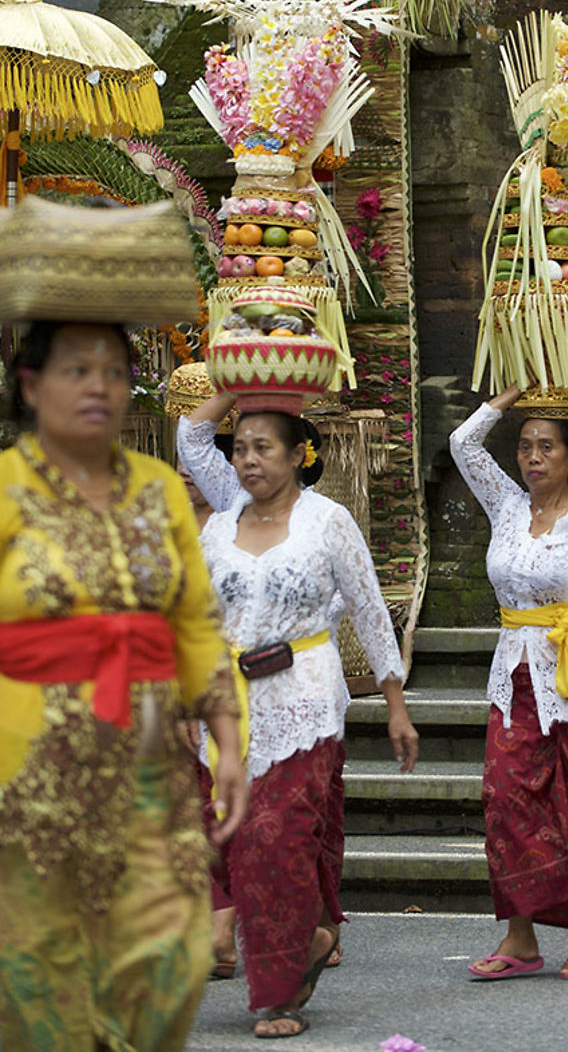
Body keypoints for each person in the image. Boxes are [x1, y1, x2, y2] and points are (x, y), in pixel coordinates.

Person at [0, 321, 246, 1052]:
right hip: (29, 767)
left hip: (149, 763)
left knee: (170, 954)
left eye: (113, 370)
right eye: (78, 369)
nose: (99, 386)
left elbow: (196, 623)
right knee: (41, 958)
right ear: (32, 386)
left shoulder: (160, 491)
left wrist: (228, 738)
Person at [178, 391, 419, 1039]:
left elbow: (370, 611)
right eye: (241, 447)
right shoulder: (218, 527)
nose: (248, 459)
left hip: (306, 697)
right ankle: (310, 935)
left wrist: (396, 706)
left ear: (297, 453)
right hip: (230, 705)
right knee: (235, 839)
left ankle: (276, 994)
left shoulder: (328, 520)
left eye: (263, 447)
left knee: (275, 837)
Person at [449, 385, 568, 982]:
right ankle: (520, 937)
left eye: (545, 447)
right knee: (505, 801)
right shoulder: (505, 506)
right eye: (525, 447)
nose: (532, 457)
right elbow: (462, 442)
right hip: (514, 677)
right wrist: (506, 398)